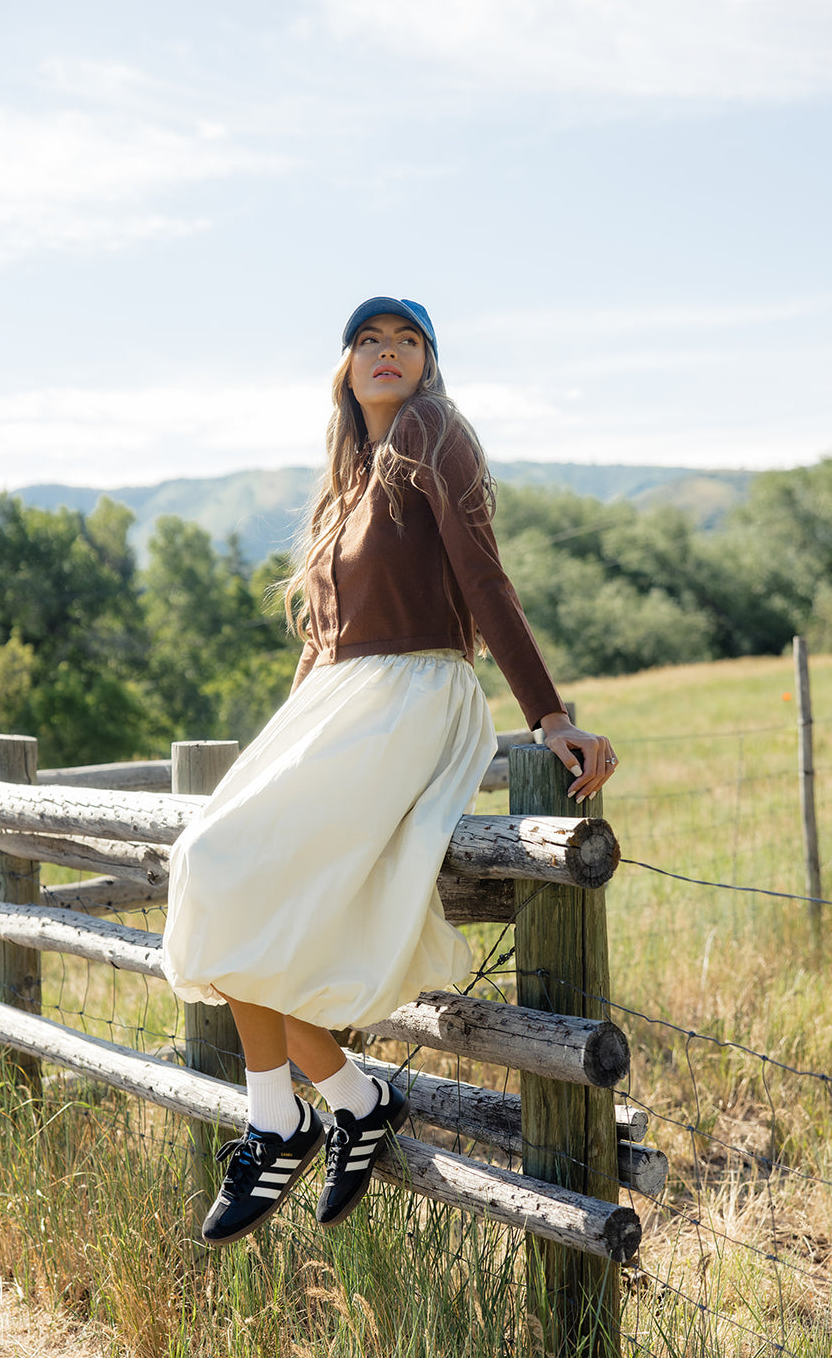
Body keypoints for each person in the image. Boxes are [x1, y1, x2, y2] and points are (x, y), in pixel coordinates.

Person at [162, 295, 619, 1247]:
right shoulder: (344, 487)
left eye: (407, 340)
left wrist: (548, 714)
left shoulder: (430, 431)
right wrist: (280, 745)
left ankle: (278, 1119)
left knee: (229, 872)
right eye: (368, 340)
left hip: (413, 701)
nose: (388, 352)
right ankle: (342, 1098)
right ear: (344, 367)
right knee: (216, 873)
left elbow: (484, 578)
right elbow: (322, 649)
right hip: (338, 708)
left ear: (428, 363)